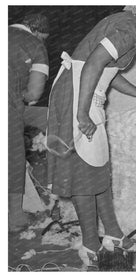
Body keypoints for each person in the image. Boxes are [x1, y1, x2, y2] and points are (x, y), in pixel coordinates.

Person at [46, 5, 136, 269]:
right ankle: (90, 245)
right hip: (77, 97)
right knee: (84, 172)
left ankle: (113, 232)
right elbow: (93, 64)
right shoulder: (129, 26)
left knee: (98, 167)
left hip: (88, 94)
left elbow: (107, 70)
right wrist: (82, 113)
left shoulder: (129, 25)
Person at [8, 13, 50, 232]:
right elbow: (34, 92)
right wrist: (20, 96)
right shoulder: (34, 45)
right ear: (36, 31)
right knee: (13, 159)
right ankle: (15, 218)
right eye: (43, 37)